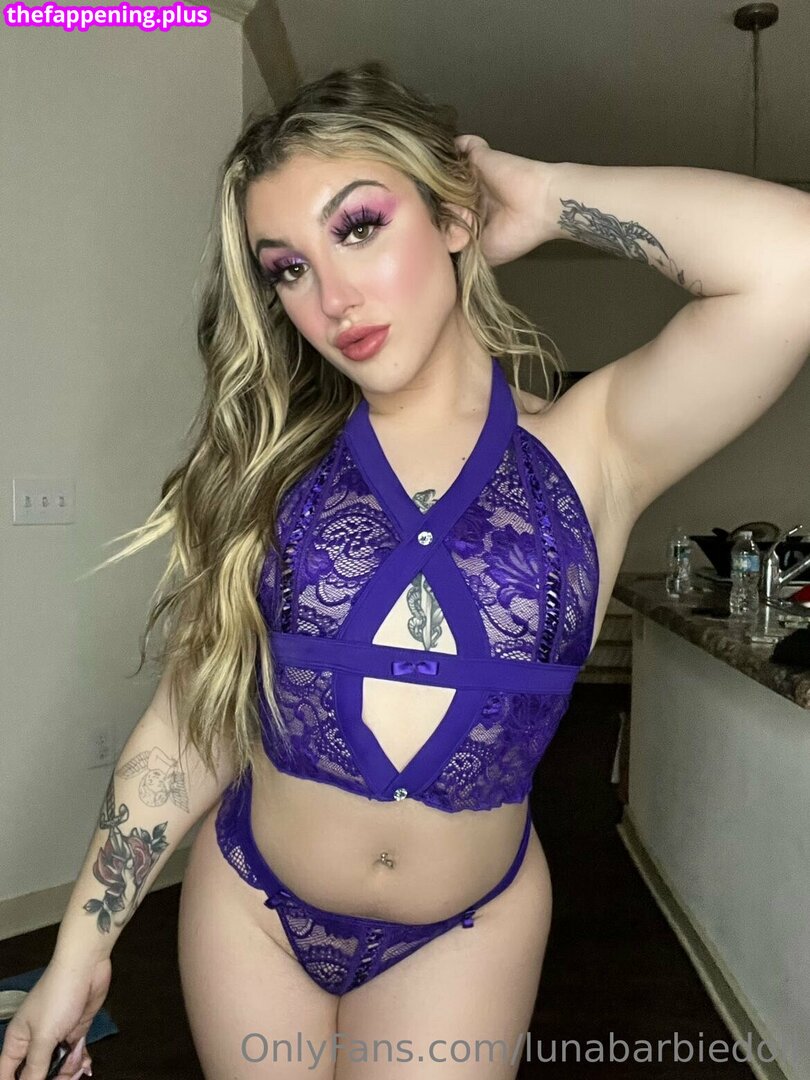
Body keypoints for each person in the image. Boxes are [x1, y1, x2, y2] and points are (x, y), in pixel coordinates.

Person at [3, 57, 809, 1080]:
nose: (332, 297)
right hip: (252, 914)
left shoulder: (593, 448)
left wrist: (545, 195)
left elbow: (793, 264)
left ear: (453, 217)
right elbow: (188, 724)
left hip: (464, 935)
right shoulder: (274, 470)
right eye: (288, 268)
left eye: (359, 227)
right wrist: (82, 947)